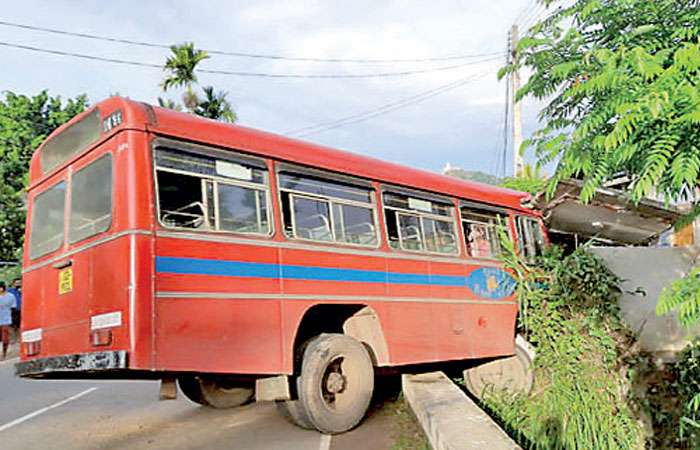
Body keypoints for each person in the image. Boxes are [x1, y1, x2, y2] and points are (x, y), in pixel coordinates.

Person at [0, 281, 16, 359]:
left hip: (6, 318)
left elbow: (13, 307)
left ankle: (4, 352)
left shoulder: (10, 296)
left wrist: (11, 318)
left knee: (5, 336)